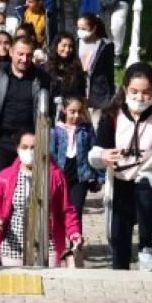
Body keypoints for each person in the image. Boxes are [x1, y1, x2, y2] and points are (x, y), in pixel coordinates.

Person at [89, 62, 152, 271]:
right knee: (118, 241)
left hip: (150, 176)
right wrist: (103, 156)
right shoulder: (110, 117)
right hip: (120, 182)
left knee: (144, 187)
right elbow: (95, 154)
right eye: (134, 92)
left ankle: (146, 248)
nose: (140, 98)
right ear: (124, 90)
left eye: (146, 92)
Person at [0, 130, 83, 266]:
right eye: (24, 147)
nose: (29, 151)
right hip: (13, 247)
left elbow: (67, 209)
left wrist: (74, 233)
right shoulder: (5, 176)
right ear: (17, 149)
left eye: (33, 147)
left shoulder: (55, 177)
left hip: (48, 246)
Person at [0, 37, 50, 187]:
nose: (24, 59)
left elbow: (47, 113)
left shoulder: (41, 78)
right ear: (11, 52)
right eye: (20, 54)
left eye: (29, 55)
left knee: (23, 191)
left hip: (28, 143)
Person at [50, 96, 101, 239]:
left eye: (79, 111)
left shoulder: (87, 130)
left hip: (80, 177)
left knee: (76, 210)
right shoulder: (55, 131)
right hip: (60, 176)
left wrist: (99, 176)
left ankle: (75, 243)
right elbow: (51, 155)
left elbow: (94, 152)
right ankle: (57, 242)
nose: (76, 115)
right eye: (72, 111)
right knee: (58, 211)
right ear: (64, 110)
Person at [76, 14, 115, 123]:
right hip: (79, 91)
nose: (80, 31)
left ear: (93, 28)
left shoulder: (105, 45)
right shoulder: (75, 43)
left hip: (98, 92)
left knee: (96, 124)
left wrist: (111, 94)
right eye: (78, 28)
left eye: (84, 29)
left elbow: (109, 72)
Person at [45, 32, 87, 104]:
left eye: (70, 46)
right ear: (56, 46)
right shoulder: (47, 67)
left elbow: (81, 92)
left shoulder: (77, 68)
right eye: (64, 46)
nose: (67, 49)